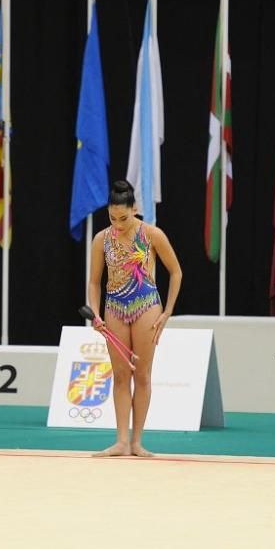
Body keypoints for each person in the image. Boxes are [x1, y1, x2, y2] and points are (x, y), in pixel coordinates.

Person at [87, 180, 182, 457]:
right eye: (112, 218)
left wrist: (167, 312)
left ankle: (137, 441)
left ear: (135, 208)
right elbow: (94, 282)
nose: (118, 223)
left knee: (141, 375)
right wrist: (95, 312)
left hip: (146, 306)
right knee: (119, 376)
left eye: (124, 218)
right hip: (114, 306)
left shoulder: (152, 234)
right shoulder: (101, 240)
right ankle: (121, 441)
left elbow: (176, 272)